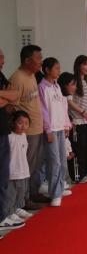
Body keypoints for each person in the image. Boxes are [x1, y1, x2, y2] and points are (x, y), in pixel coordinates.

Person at [8, 45, 49, 206]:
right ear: (27, 60)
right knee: (26, 166)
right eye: (38, 58)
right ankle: (24, 200)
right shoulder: (17, 78)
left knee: (36, 165)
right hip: (27, 131)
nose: (41, 61)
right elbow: (12, 107)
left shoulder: (32, 76)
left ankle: (33, 192)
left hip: (37, 128)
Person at [39, 58, 71, 206]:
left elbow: (63, 108)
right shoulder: (42, 87)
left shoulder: (57, 86)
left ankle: (60, 186)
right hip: (51, 129)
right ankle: (55, 193)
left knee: (62, 161)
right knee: (54, 162)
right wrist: (48, 129)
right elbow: (43, 110)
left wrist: (66, 125)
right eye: (56, 68)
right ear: (47, 70)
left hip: (60, 127)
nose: (59, 71)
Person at [0, 49, 22, 230]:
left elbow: (15, 95)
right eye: (0, 57)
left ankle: (5, 212)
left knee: (4, 174)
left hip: (3, 129)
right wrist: (5, 97)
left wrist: (4, 97)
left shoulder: (1, 75)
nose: (3, 60)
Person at [0, 111, 32, 230]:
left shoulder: (24, 136)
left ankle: (17, 208)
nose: (23, 126)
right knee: (10, 194)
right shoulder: (9, 137)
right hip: (12, 171)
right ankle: (9, 212)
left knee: (21, 191)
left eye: (26, 123)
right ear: (13, 123)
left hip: (23, 169)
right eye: (20, 123)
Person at [68, 56, 87, 183]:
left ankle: (86, 170)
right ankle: (78, 175)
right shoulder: (74, 80)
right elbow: (69, 100)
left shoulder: (85, 80)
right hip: (77, 120)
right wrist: (82, 112)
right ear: (78, 65)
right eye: (85, 64)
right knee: (79, 148)